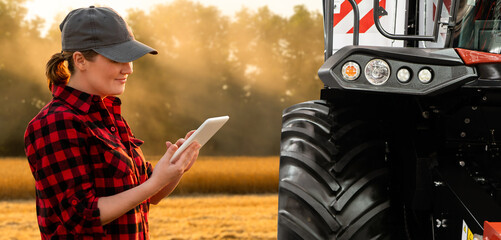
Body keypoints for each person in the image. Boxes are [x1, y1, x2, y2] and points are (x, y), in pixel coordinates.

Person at [24, 6, 201, 239]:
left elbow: (147, 195)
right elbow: (80, 217)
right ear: (80, 60)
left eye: (130, 59)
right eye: (118, 58)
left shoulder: (108, 116)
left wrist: (176, 169)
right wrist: (154, 182)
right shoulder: (54, 123)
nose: (129, 68)